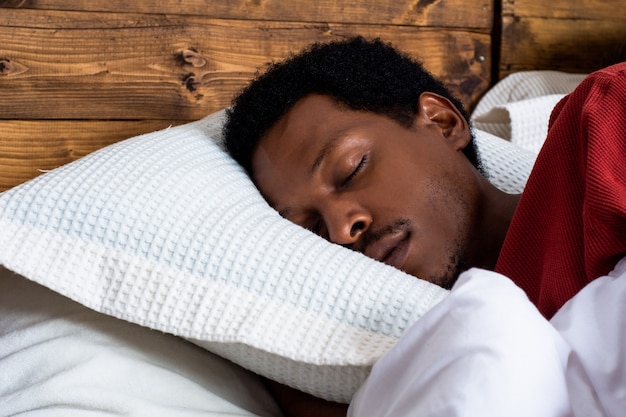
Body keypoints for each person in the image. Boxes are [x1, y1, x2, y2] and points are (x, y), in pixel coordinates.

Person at [223, 36, 626, 416]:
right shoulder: (400, 368)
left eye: (351, 170)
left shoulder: (600, 125)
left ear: (442, 122)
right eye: (311, 228)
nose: (342, 230)